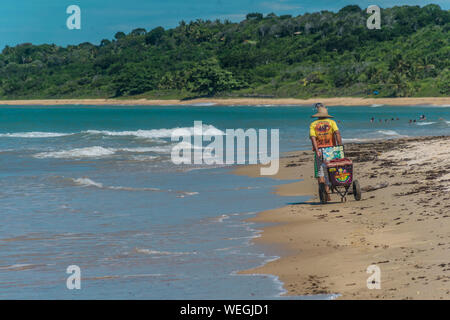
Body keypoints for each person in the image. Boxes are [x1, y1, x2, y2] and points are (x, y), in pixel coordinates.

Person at [309, 104, 342, 201]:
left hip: (320, 150)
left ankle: (324, 193)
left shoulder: (313, 124)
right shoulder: (332, 122)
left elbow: (313, 138)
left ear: (318, 115)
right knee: (330, 171)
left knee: (320, 172)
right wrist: (339, 147)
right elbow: (337, 134)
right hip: (331, 150)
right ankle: (327, 191)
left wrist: (317, 150)